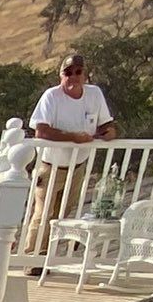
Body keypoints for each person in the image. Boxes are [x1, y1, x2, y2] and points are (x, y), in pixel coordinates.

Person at [24, 54, 118, 256]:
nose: (73, 77)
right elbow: (41, 131)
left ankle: (46, 256)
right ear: (61, 75)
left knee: (61, 214)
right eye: (68, 73)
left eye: (78, 72)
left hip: (77, 167)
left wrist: (109, 132)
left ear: (85, 75)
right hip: (50, 166)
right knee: (43, 213)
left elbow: (105, 124)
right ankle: (33, 257)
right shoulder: (52, 96)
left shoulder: (94, 94)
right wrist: (72, 137)